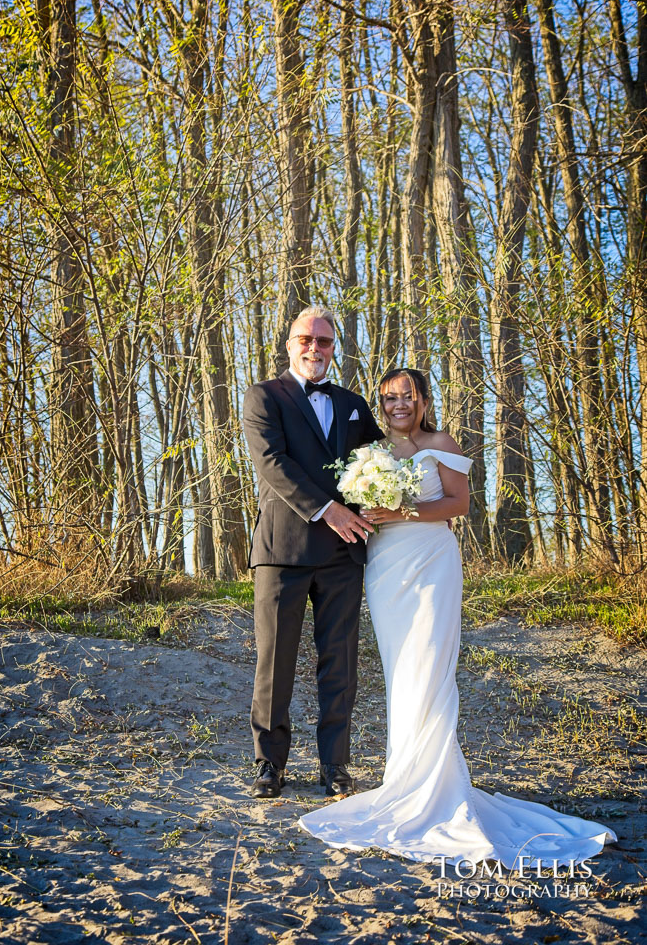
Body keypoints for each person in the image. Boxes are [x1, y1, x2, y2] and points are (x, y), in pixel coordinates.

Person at [299, 368, 617, 868]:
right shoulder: (374, 452)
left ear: (424, 399)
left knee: (429, 669)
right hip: (386, 572)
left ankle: (437, 787)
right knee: (402, 673)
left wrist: (400, 512)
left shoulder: (439, 440)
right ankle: (404, 778)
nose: (398, 404)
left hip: (431, 563)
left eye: (407, 396)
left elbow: (459, 504)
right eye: (388, 397)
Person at [242, 306, 382, 799]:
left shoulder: (352, 403)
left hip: (344, 555)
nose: (315, 349)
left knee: (339, 663)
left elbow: (382, 460)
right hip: (283, 551)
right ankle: (269, 766)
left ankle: (335, 766)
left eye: (324, 342)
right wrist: (330, 510)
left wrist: (418, 495)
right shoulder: (265, 396)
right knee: (274, 664)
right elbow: (272, 463)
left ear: (333, 349)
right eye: (307, 339)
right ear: (289, 343)